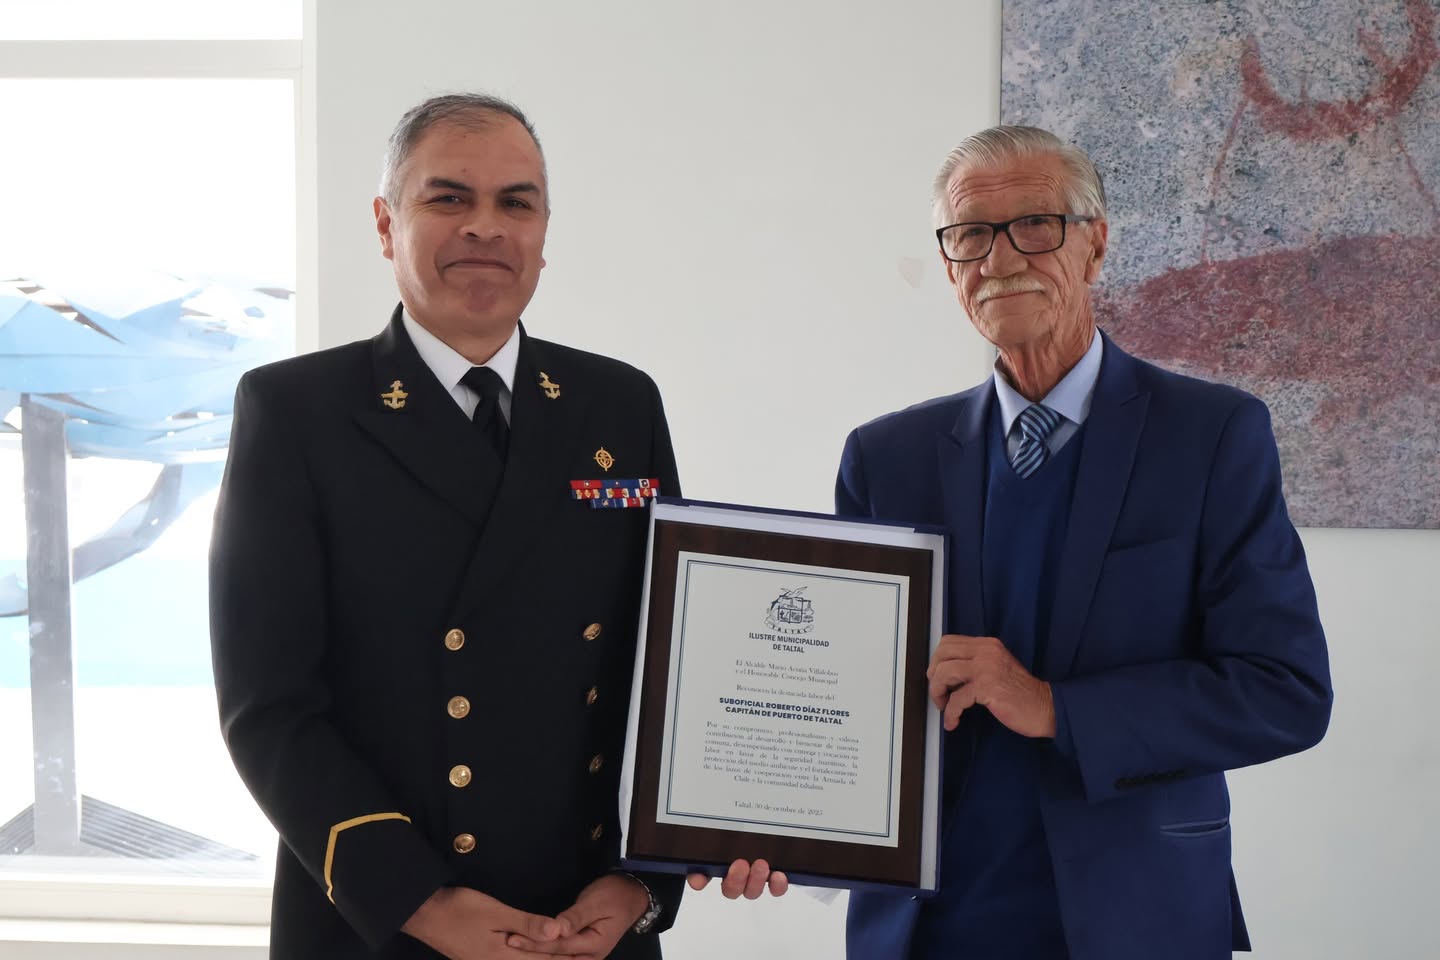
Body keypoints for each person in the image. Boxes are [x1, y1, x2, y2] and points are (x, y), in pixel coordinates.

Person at [711, 125, 1333, 959]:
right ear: (949, 266)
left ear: (1095, 245)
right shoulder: (884, 457)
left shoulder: (1212, 435)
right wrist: (770, 820)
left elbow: (1283, 689)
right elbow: (847, 695)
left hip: (1135, 916)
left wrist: (1053, 707)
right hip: (930, 926)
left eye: (1036, 224)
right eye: (970, 234)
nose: (1001, 257)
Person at [209, 93, 682, 960]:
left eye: (517, 202)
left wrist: (643, 881)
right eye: (449, 198)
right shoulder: (296, 411)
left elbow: (666, 670)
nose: (486, 228)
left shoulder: (620, 405)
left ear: (545, 232)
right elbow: (268, 709)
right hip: (380, 918)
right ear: (387, 224)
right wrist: (421, 903)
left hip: (584, 922)